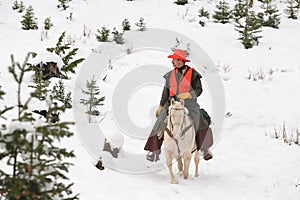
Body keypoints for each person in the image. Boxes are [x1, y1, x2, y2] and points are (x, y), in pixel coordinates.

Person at [144, 49, 213, 162]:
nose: (175, 62)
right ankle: (154, 151)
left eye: (177, 60)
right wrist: (161, 106)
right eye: (174, 60)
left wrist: (189, 95)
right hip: (171, 103)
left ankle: (205, 149)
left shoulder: (193, 74)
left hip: (189, 103)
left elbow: (199, 90)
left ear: (182, 61)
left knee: (200, 121)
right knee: (160, 122)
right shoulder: (169, 75)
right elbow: (165, 92)